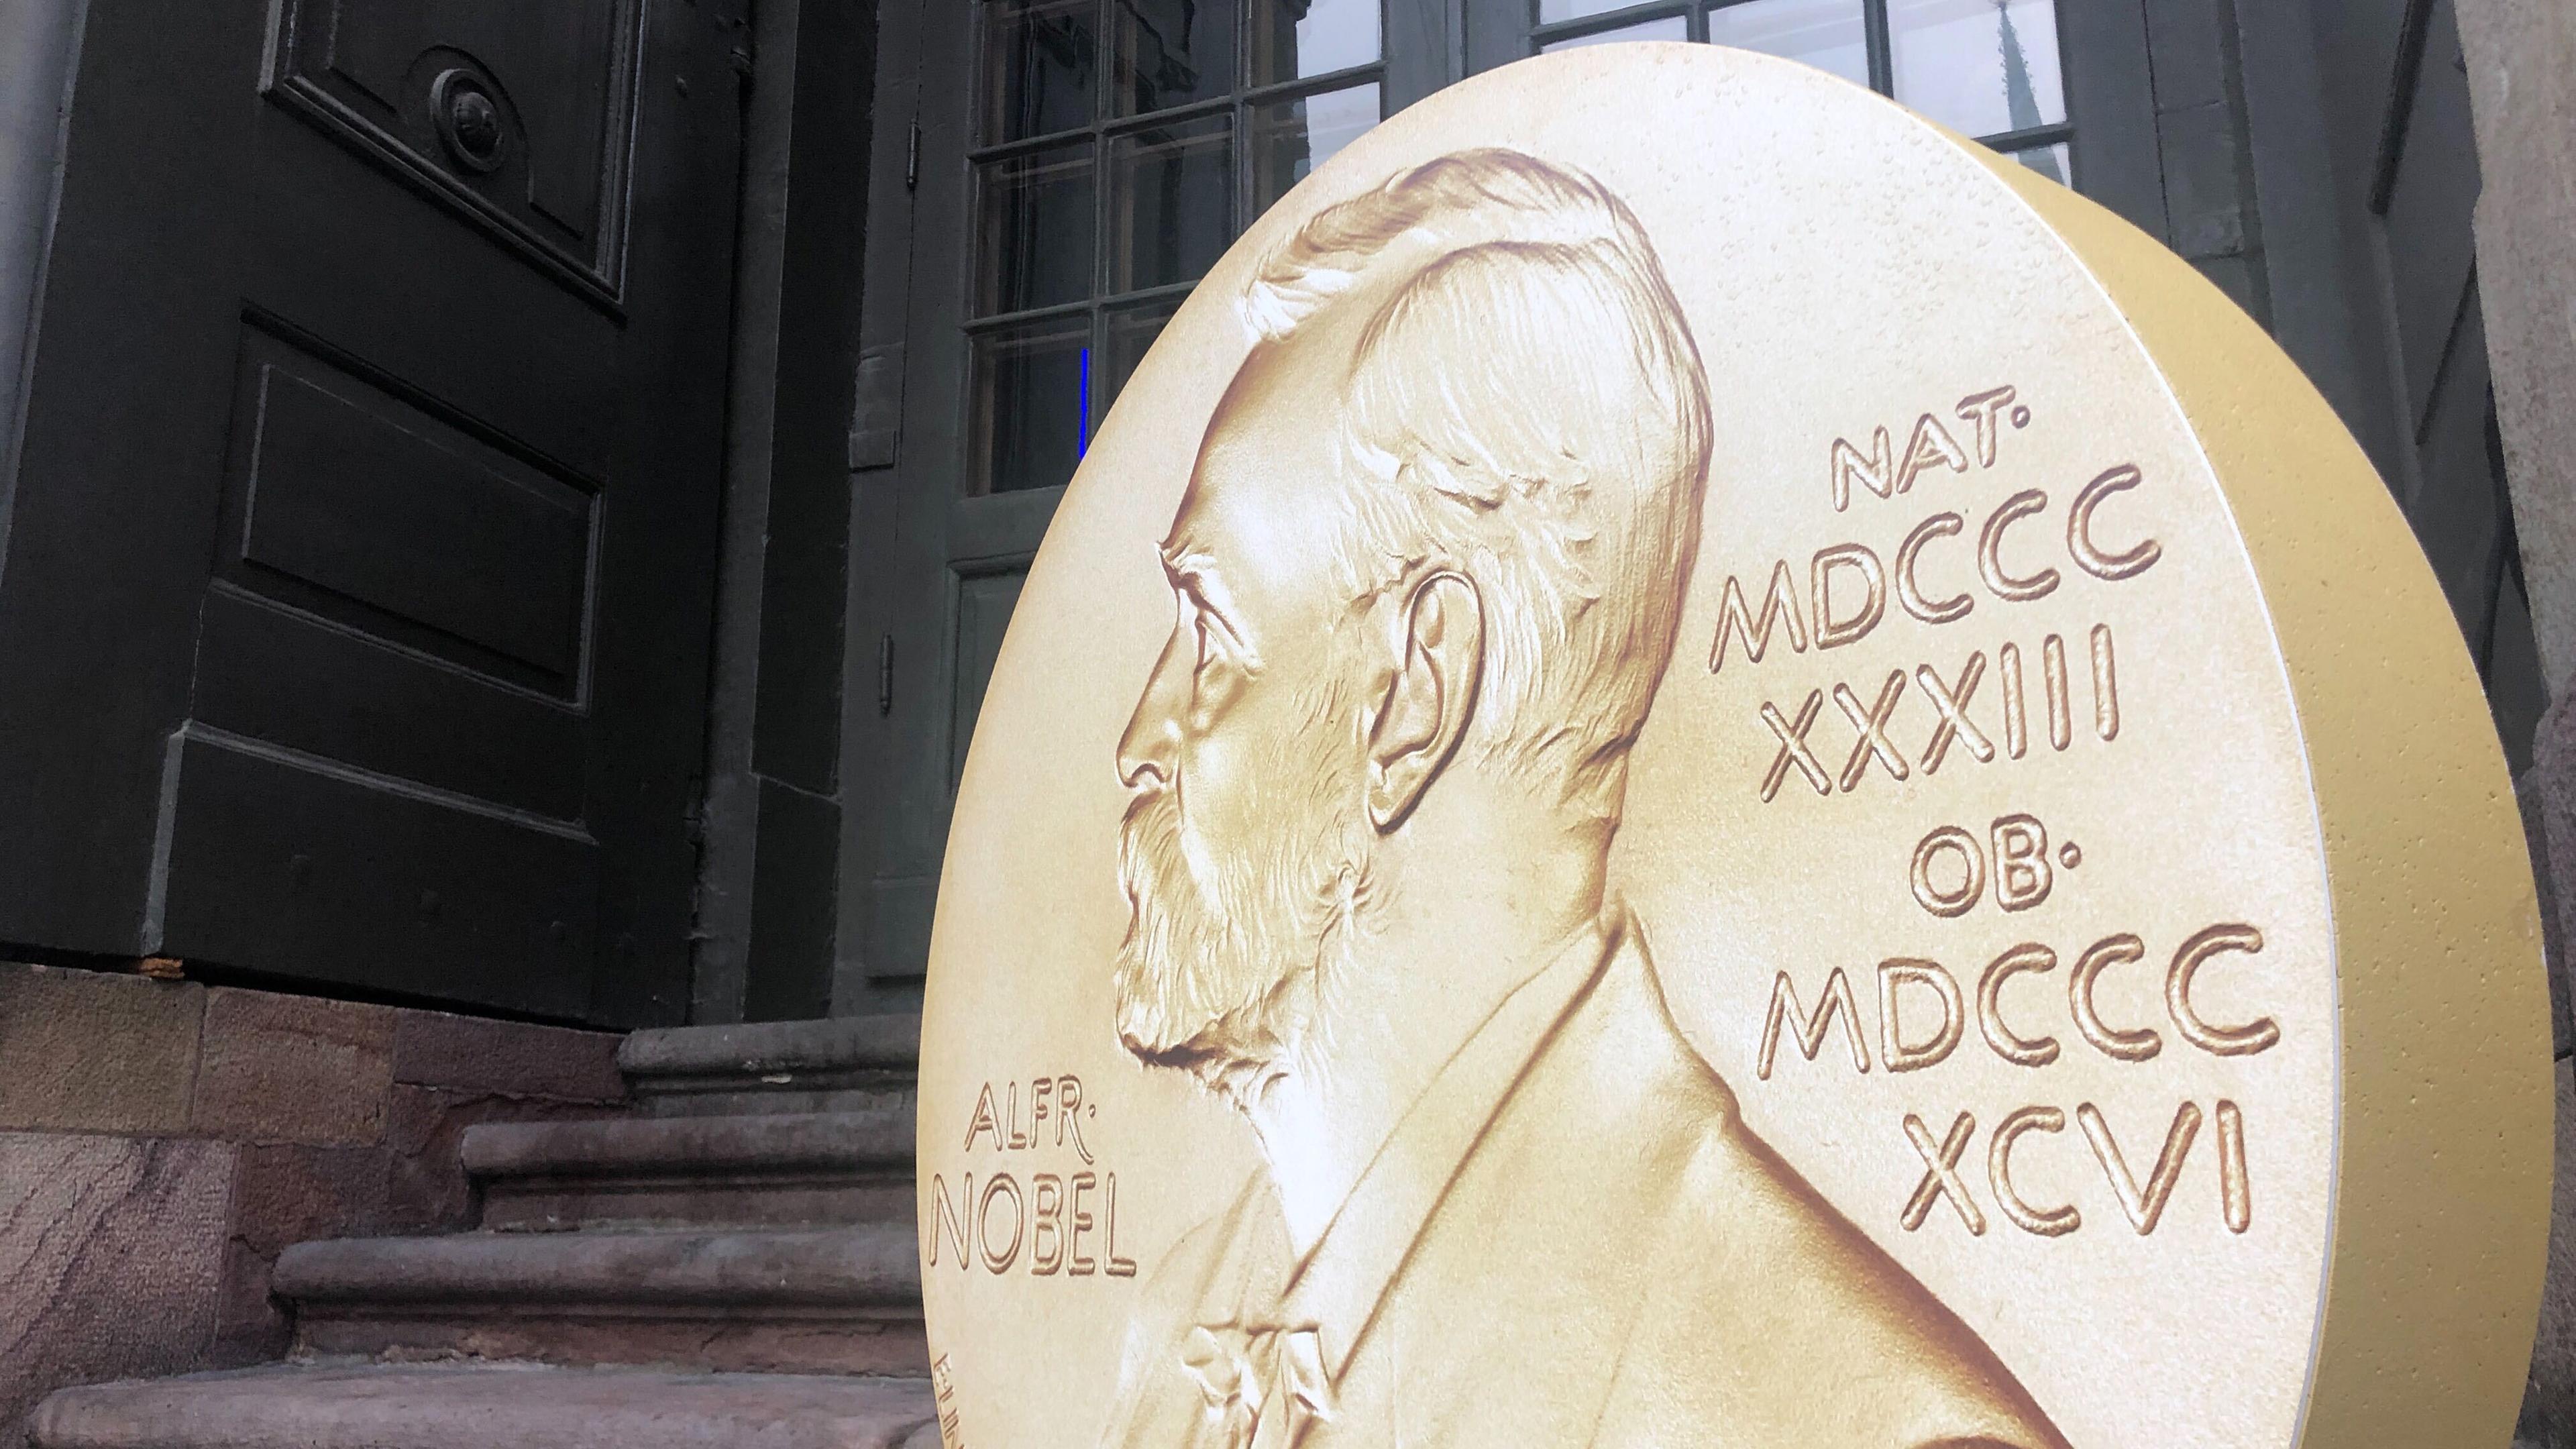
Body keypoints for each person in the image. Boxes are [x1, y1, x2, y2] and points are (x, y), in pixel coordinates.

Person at [1103, 147, 2067, 1449]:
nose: (1137, 742)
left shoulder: (1864, 1424)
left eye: (1213, 633)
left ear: (1415, 689)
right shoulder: (1181, 1323)